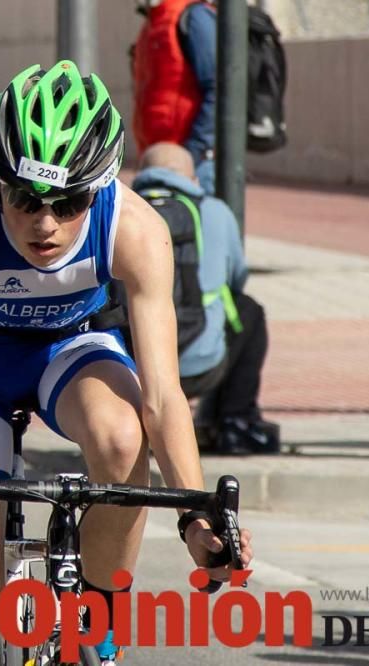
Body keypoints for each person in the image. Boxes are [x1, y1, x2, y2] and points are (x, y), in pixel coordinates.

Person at [0, 61, 253, 665]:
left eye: (69, 204)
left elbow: (164, 395)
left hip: (69, 350)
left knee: (121, 437)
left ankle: (100, 609)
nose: (45, 224)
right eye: (24, 199)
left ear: (100, 187)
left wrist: (198, 517)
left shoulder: (137, 227)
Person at [131, 142, 279, 455]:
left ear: (142, 175)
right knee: (247, 311)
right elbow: (237, 278)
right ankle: (233, 420)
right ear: (193, 179)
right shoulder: (215, 211)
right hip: (199, 365)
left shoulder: (124, 213)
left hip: (134, 367)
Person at [132, 0, 217, 194]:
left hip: (189, 163)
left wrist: (194, 151)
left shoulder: (194, 17)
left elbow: (216, 86)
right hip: (157, 159)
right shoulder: (153, 21)